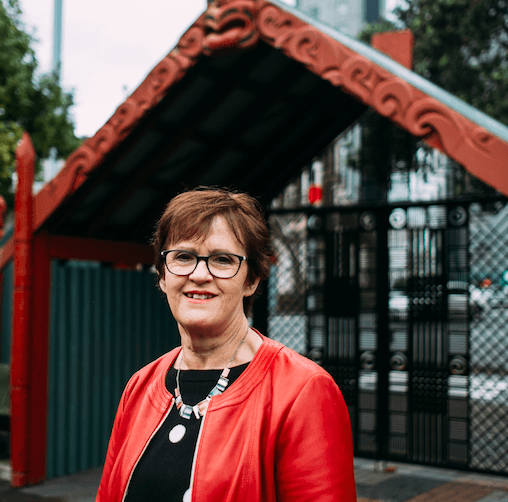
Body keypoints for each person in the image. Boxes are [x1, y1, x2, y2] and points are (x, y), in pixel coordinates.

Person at [96, 187, 357, 502]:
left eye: (221, 260)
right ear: (163, 275)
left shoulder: (303, 391)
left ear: (251, 279)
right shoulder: (139, 387)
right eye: (183, 256)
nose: (199, 274)